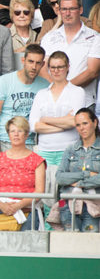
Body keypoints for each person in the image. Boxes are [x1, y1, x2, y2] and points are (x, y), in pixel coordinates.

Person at [30, 51, 84, 195]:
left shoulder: (77, 92)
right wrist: (63, 124)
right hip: (44, 150)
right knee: (46, 195)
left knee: (67, 194)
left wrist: (46, 119)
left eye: (60, 67)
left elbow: (75, 121)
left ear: (68, 67)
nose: (56, 71)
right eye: (53, 67)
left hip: (68, 149)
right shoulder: (41, 94)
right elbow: (34, 125)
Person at [0, 117, 46, 231]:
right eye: (12, 131)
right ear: (8, 134)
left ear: (27, 134)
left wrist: (18, 206)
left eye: (20, 131)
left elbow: (39, 192)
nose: (16, 134)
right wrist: (3, 206)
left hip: (27, 211)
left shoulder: (37, 160)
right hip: (0, 209)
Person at [40, 0, 100, 106]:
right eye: (64, 9)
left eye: (72, 9)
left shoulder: (95, 38)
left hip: (84, 102)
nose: (67, 13)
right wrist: (57, 89)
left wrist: (65, 89)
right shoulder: (49, 37)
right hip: (53, 101)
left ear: (81, 10)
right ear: (59, 11)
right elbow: (43, 68)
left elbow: (92, 72)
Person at [0, 45, 49, 155]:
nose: (34, 67)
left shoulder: (45, 86)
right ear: (23, 60)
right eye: (30, 61)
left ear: (43, 64)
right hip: (4, 140)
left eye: (38, 63)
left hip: (29, 142)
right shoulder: (4, 82)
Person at [56, 108, 100, 232]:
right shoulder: (71, 149)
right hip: (69, 204)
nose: (82, 128)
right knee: (69, 246)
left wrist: (78, 183)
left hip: (94, 205)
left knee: (89, 246)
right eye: (78, 125)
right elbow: (59, 177)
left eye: (85, 123)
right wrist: (87, 174)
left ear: (95, 123)